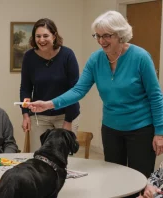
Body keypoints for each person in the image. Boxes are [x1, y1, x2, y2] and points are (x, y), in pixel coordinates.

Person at [28, 10, 163, 182]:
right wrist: (49, 104)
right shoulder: (96, 59)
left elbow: (156, 96)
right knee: (114, 179)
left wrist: (160, 132)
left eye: (106, 36)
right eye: (97, 36)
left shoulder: (140, 57)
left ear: (120, 34)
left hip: (141, 129)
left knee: (140, 180)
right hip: (111, 129)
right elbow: (78, 90)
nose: (101, 41)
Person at [20, 18, 80, 152]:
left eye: (45, 36)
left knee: (64, 157)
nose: (41, 40)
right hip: (39, 116)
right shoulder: (29, 57)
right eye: (38, 36)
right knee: (39, 157)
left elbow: (75, 90)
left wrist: (68, 121)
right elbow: (25, 88)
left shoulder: (67, 55)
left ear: (54, 35)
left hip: (66, 114)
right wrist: (25, 115)